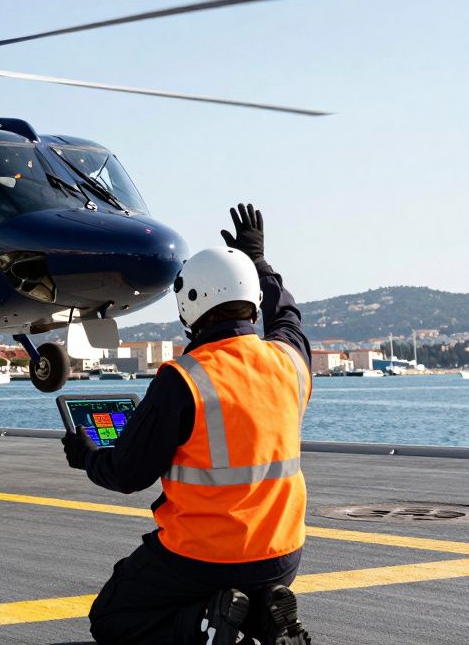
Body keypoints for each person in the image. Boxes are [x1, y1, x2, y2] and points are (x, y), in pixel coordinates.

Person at [62, 204, 313, 645]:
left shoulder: (185, 378)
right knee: (235, 588)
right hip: (282, 554)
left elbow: (127, 473)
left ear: (188, 305)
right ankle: (263, 619)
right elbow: (287, 317)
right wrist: (258, 261)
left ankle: (203, 626)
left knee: (112, 617)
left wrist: (87, 457)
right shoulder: (290, 362)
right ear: (252, 299)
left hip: (203, 556)